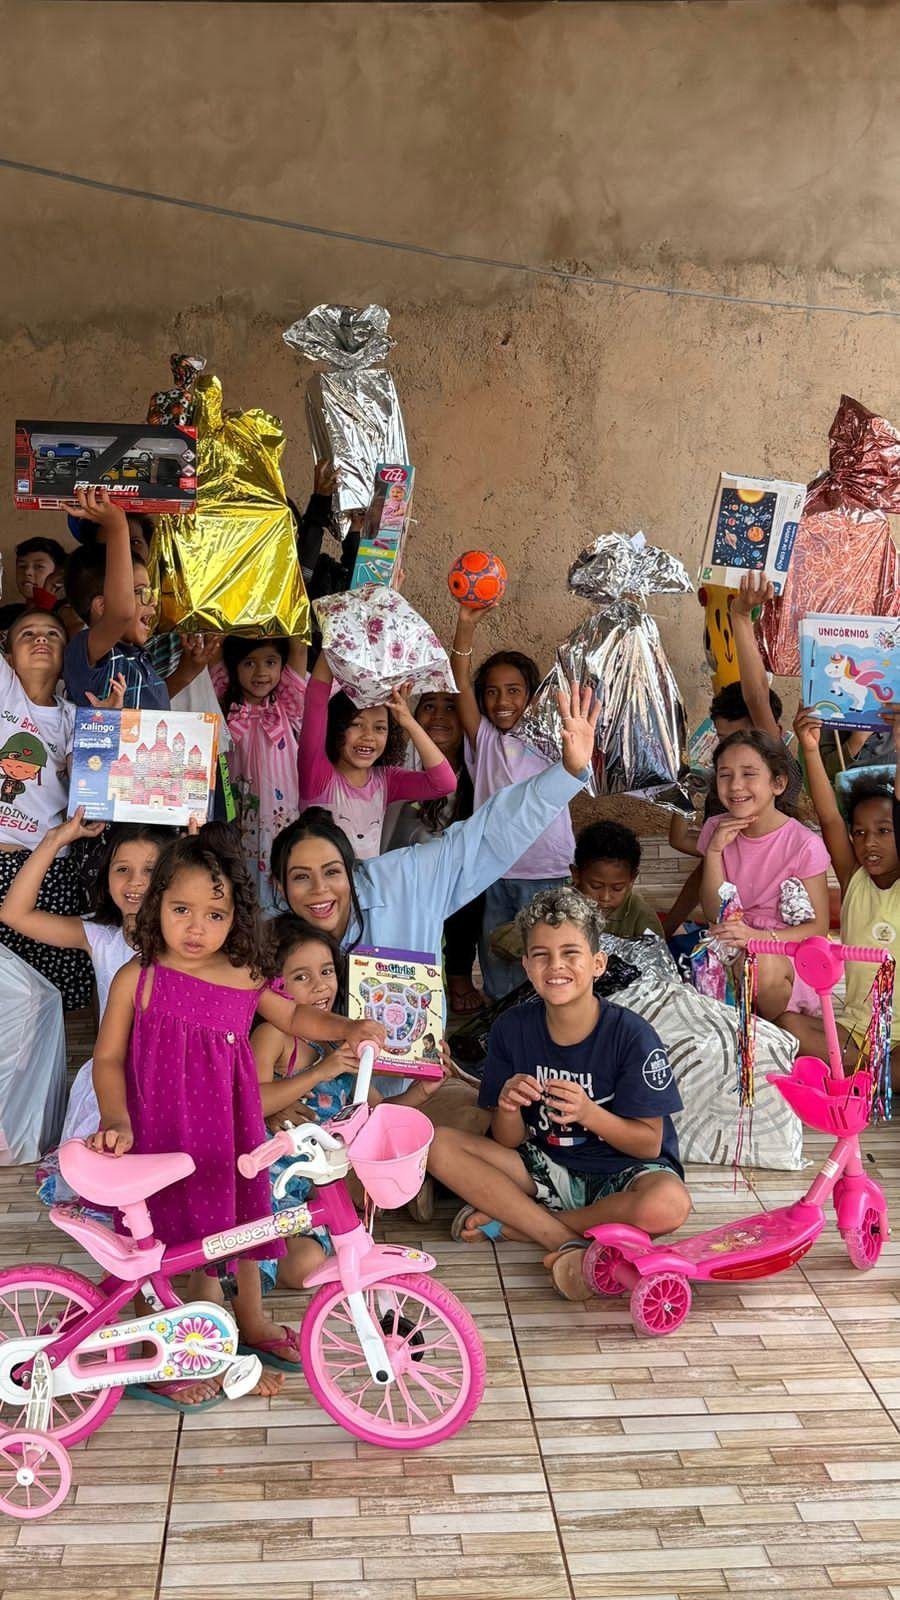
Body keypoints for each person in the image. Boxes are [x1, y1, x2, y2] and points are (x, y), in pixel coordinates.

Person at [89, 827, 384, 1409]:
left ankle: (249, 1320)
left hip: (228, 1134)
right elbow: (107, 1058)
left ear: (236, 918)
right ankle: (165, 1350)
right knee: (167, 1243)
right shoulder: (137, 978)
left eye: (215, 914)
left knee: (242, 1230)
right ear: (156, 905)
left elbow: (295, 1017)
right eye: (181, 909)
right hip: (159, 1135)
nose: (196, 928)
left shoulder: (244, 976)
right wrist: (116, 1118)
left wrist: (348, 1027)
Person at [271, 683, 598, 1134]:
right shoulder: (271, 931)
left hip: (414, 1089)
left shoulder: (402, 880)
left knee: (478, 1128)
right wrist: (272, 1102)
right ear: (279, 886)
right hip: (317, 1105)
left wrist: (567, 772)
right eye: (300, 878)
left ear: (352, 869)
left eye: (332, 872)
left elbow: (485, 833)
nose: (319, 891)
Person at [426, 887, 690, 1301]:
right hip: (547, 1165)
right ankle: (562, 1240)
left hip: (625, 1174)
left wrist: (589, 1113)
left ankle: (526, 1225)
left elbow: (647, 1144)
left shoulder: (631, 1036)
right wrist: (509, 1106)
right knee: (437, 1144)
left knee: (668, 1204)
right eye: (541, 955)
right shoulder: (512, 1028)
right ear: (527, 966)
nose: (556, 966)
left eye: (571, 953)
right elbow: (508, 1141)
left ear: (598, 963)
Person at [252, 917, 446, 1291]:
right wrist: (320, 1072)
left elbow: (376, 1117)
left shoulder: (338, 1043)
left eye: (327, 971)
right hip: (264, 1188)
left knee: (310, 1264)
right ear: (274, 987)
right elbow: (253, 1101)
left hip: (309, 1194)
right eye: (301, 976)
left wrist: (423, 1090)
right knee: (276, 1264)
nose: (320, 985)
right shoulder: (273, 1035)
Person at [0, 810, 170, 1203]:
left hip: (170, 1081)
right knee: (109, 1189)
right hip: (111, 1088)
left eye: (151, 870)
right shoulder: (100, 937)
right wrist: (55, 839)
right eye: (122, 869)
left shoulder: (195, 945)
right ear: (106, 877)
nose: (135, 882)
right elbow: (13, 913)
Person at [665, 572, 803, 936]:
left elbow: (756, 696)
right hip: (731, 936)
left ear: (777, 782)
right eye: (724, 739)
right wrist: (684, 791)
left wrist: (740, 617)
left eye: (741, 737)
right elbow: (688, 851)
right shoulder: (725, 795)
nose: (731, 750)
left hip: (774, 939)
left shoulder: (779, 767)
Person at [450, 601, 575, 999]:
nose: (501, 700)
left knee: (548, 965)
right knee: (500, 968)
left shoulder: (551, 742)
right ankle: (504, 1029)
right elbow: (459, 678)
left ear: (532, 697)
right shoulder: (485, 739)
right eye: (492, 692)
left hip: (547, 873)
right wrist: (465, 625)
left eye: (513, 691)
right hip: (495, 872)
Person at [793, 707, 900, 1080]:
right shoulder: (854, 879)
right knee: (789, 1026)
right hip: (855, 1031)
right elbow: (829, 819)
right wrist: (809, 749)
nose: (869, 842)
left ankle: (860, 1076)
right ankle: (874, 1077)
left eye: (884, 831)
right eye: (859, 833)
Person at [697, 729, 830, 1026]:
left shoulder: (804, 844)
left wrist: (756, 938)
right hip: (732, 940)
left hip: (786, 953)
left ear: (778, 783)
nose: (735, 786)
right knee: (712, 960)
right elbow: (713, 913)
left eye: (749, 774)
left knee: (758, 964)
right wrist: (715, 850)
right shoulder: (715, 829)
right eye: (725, 775)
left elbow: (818, 928)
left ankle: (766, 1034)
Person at [0, 608, 93, 1008]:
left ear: (65, 655)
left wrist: (104, 723)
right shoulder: (4, 690)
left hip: (49, 866)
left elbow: (86, 783)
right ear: (7, 656)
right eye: (28, 634)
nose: (40, 639)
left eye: (53, 634)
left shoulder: (74, 716)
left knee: (52, 989)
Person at [297, 655, 457, 860]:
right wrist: (331, 648)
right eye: (356, 724)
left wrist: (407, 721)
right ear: (336, 726)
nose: (368, 736)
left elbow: (445, 783)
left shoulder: (386, 781)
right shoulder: (317, 775)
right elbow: (316, 700)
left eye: (380, 728)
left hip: (366, 883)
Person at [385, 689, 485, 1014]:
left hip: (452, 877)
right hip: (399, 870)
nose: (439, 716)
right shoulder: (399, 760)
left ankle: (457, 972)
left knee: (471, 880)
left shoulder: (476, 768)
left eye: (451, 707)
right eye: (428, 706)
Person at [488, 820, 665, 982]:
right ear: (576, 874)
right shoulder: (556, 905)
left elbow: (658, 963)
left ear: (632, 879)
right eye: (595, 886)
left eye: (617, 888)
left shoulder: (639, 913)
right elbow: (500, 943)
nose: (605, 897)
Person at [213, 635, 308, 911]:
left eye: (270, 662)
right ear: (234, 666)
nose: (261, 672)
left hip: (279, 817)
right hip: (237, 814)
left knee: (282, 871)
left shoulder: (287, 703)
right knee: (237, 875)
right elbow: (214, 647)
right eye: (249, 663)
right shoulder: (223, 698)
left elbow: (299, 649)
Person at [0, 535, 69, 643]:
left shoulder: (66, 612)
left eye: (39, 566)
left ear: (59, 573)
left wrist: (48, 591)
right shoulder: (7, 614)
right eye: (22, 566)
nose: (27, 572)